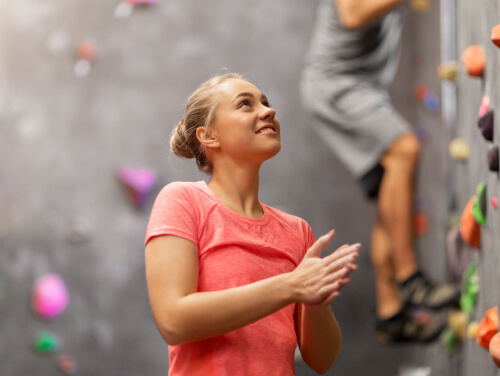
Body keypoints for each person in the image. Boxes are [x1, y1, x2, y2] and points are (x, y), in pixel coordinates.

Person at [144, 73, 361, 375]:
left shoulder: (297, 232)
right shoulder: (183, 201)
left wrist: (316, 300)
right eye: (245, 104)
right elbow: (173, 321)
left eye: (266, 102)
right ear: (209, 136)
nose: (268, 111)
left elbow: (321, 360)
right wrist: (291, 286)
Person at [300, 0, 460, 344]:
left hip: (361, 86)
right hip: (337, 85)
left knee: (392, 184)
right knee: (405, 148)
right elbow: (352, 14)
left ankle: (391, 314)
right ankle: (409, 278)